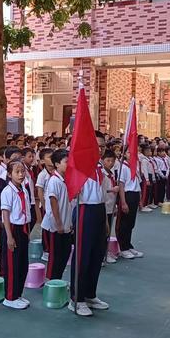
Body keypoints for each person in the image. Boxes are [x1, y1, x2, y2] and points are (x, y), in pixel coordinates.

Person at [68, 131, 109, 317]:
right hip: (85, 210)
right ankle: (76, 298)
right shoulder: (80, 165)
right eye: (97, 146)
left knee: (96, 254)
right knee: (83, 256)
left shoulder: (100, 167)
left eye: (103, 146)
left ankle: (90, 294)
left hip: (99, 210)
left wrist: (106, 221)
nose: (100, 149)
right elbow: (72, 189)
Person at [0, 159, 31, 310]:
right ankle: (10, 297)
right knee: (12, 265)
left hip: (23, 228)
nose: (21, 174)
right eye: (17, 172)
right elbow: (5, 214)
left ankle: (18, 293)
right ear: (9, 174)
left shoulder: (23, 189)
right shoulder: (7, 191)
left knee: (22, 264)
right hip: (12, 229)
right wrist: (9, 237)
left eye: (23, 171)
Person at [42, 149, 73, 280]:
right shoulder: (54, 181)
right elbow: (53, 204)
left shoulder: (65, 180)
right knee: (56, 256)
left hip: (65, 225)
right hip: (56, 227)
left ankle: (58, 280)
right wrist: (59, 224)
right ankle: (51, 281)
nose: (69, 164)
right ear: (57, 164)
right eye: (66, 162)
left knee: (64, 254)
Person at [117, 149, 143, 260]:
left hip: (135, 195)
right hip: (127, 195)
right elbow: (121, 185)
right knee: (124, 223)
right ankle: (123, 248)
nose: (132, 154)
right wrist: (123, 202)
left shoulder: (134, 166)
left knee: (131, 223)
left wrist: (140, 197)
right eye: (129, 152)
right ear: (123, 154)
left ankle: (128, 245)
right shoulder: (123, 167)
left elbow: (137, 182)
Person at [36, 147, 54, 261]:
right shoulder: (42, 175)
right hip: (46, 205)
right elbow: (40, 191)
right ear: (42, 161)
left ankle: (53, 248)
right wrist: (44, 205)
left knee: (54, 227)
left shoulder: (57, 172)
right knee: (46, 228)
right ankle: (46, 250)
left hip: (55, 204)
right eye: (49, 157)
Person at [102, 149, 119, 264]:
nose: (110, 163)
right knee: (104, 232)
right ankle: (102, 254)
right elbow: (101, 190)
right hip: (104, 206)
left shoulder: (111, 174)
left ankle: (105, 252)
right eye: (108, 160)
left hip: (110, 205)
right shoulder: (102, 174)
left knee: (108, 232)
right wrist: (112, 189)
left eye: (112, 161)